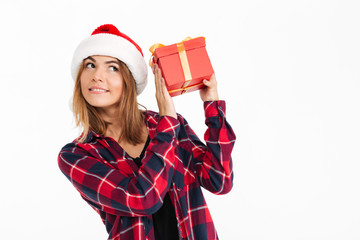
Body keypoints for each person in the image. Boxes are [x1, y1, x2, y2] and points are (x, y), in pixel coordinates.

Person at [58, 24, 236, 240]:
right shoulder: (77, 155)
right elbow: (143, 198)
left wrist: (212, 106)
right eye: (89, 65)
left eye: (112, 67)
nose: (97, 76)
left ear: (129, 79)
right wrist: (168, 122)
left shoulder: (168, 126)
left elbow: (220, 180)